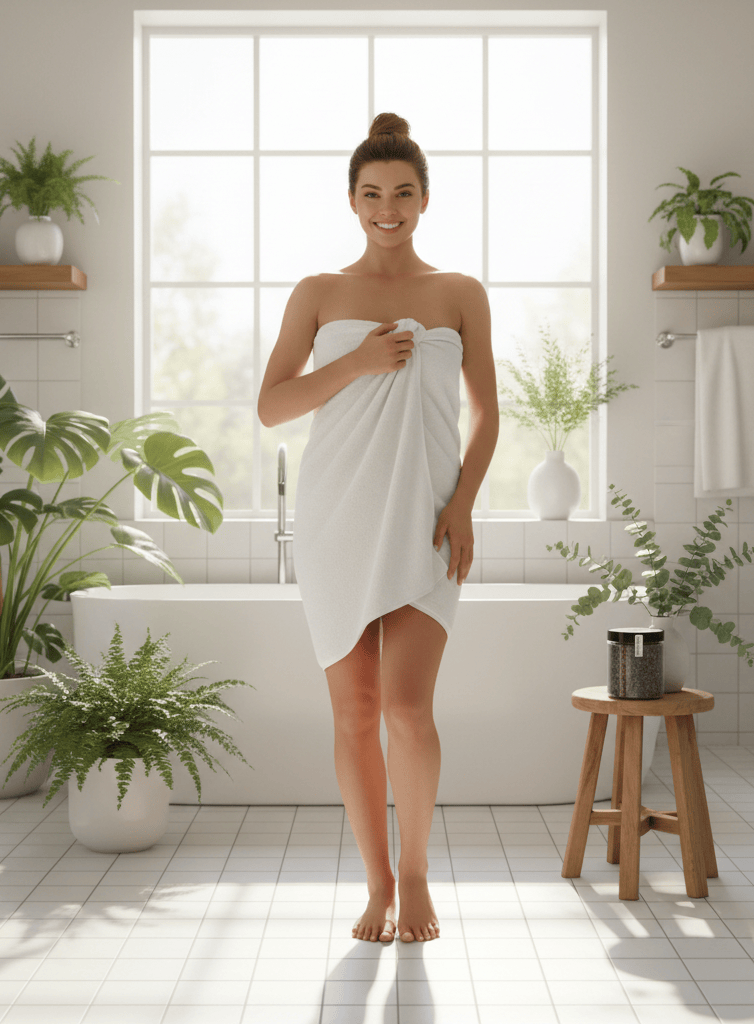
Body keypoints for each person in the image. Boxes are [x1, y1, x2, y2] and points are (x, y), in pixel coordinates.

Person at [257, 113, 499, 944]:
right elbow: (271, 406)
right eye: (372, 193)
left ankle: (420, 876)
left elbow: (488, 411)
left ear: (424, 200)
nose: (386, 207)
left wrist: (463, 503)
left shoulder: (460, 293)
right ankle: (377, 886)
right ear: (352, 201)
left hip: (427, 520)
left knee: (407, 709)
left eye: (402, 193)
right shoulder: (319, 293)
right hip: (337, 518)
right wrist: (355, 362)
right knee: (355, 713)